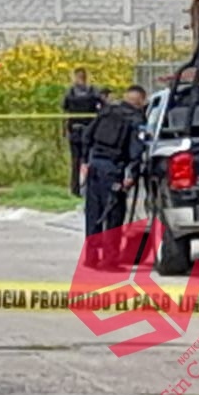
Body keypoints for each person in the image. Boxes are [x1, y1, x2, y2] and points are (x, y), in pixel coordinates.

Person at [80, 85, 148, 269]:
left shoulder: (107, 111)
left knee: (94, 213)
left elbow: (87, 136)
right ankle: (109, 260)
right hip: (113, 170)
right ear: (141, 101)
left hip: (94, 167)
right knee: (113, 214)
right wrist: (132, 174)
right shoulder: (135, 119)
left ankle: (91, 257)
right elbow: (136, 150)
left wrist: (85, 161)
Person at [62, 68, 103, 197]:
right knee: (89, 160)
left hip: (77, 130)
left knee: (76, 161)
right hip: (89, 130)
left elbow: (64, 110)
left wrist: (64, 130)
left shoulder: (70, 92)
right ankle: (88, 188)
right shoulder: (93, 91)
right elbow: (103, 106)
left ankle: (76, 190)